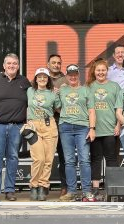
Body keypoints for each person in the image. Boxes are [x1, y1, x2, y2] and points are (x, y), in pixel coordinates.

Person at [0, 53, 31, 201]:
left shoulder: (24, 82)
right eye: (9, 63)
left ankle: (10, 190)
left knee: (13, 157)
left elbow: (33, 102)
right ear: (4, 66)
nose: (12, 66)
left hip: (17, 126)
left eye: (14, 63)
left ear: (18, 66)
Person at [58, 64, 96, 202]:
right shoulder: (62, 90)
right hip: (65, 127)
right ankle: (71, 191)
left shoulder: (86, 90)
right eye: (70, 74)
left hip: (82, 128)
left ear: (78, 75)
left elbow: (91, 110)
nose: (72, 77)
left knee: (84, 160)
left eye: (75, 74)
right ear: (66, 76)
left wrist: (92, 128)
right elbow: (57, 107)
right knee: (69, 161)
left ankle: (86, 191)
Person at [86, 58, 121, 198]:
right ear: (94, 72)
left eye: (103, 70)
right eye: (98, 70)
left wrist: (118, 125)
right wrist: (90, 128)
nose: (101, 72)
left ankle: (112, 187)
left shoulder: (115, 86)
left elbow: (119, 108)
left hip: (111, 129)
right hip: (95, 130)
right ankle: (95, 188)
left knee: (112, 159)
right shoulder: (89, 87)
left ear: (107, 71)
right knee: (95, 159)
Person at [27, 67, 61, 201]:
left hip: (49, 125)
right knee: (38, 159)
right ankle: (33, 185)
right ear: (35, 79)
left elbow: (58, 109)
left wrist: (60, 93)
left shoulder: (53, 93)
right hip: (34, 126)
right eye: (39, 76)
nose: (42, 79)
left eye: (45, 77)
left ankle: (43, 186)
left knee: (48, 160)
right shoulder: (30, 91)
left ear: (48, 80)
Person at [47, 54, 69, 196]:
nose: (56, 65)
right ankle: (42, 186)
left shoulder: (66, 80)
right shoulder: (41, 77)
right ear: (47, 64)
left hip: (62, 122)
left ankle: (64, 186)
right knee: (44, 157)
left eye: (58, 63)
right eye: (53, 62)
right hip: (45, 123)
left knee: (64, 157)